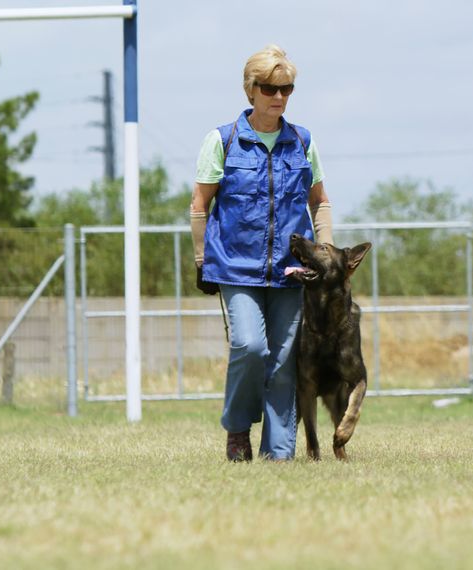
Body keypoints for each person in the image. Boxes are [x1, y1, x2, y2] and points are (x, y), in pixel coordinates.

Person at [189, 45, 334, 462]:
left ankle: (279, 453)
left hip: (291, 269)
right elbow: (200, 205)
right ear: (250, 89)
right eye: (270, 88)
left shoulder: (302, 141)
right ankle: (238, 428)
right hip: (235, 267)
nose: (279, 97)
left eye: (286, 88)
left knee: (285, 360)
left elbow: (320, 202)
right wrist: (202, 260)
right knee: (251, 347)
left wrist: (323, 254)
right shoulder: (223, 140)